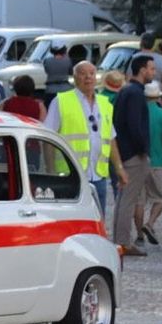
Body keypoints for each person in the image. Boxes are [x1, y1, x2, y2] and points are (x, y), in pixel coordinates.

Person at [44, 61, 122, 221]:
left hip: (98, 175)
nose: (88, 77)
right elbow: (48, 138)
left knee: (98, 220)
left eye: (92, 73)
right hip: (71, 174)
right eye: (83, 73)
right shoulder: (61, 101)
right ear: (75, 77)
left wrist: (119, 168)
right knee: (73, 220)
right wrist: (51, 172)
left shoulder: (104, 104)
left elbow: (110, 138)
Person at [111, 54, 155, 253]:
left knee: (123, 198)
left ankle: (120, 239)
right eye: (151, 68)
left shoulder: (125, 91)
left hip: (124, 150)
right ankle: (122, 241)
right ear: (142, 69)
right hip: (133, 154)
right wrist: (143, 150)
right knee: (128, 198)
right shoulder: (136, 94)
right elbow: (135, 124)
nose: (153, 72)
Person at [138, 80, 162, 246]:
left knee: (139, 201)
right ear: (158, 97)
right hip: (157, 161)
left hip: (138, 161)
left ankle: (139, 234)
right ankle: (150, 223)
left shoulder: (137, 112)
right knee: (160, 197)